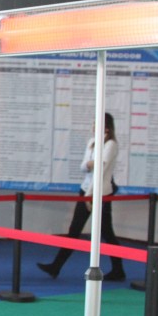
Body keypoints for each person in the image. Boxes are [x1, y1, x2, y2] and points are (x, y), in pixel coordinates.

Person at [38, 112, 125, 281]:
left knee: (107, 232)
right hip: (86, 191)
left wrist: (90, 195)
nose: (93, 127)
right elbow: (84, 167)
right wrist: (89, 168)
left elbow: (100, 171)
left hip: (100, 194)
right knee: (75, 230)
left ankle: (118, 269)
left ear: (106, 128)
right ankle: (56, 266)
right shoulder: (92, 142)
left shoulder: (111, 145)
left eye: (96, 124)